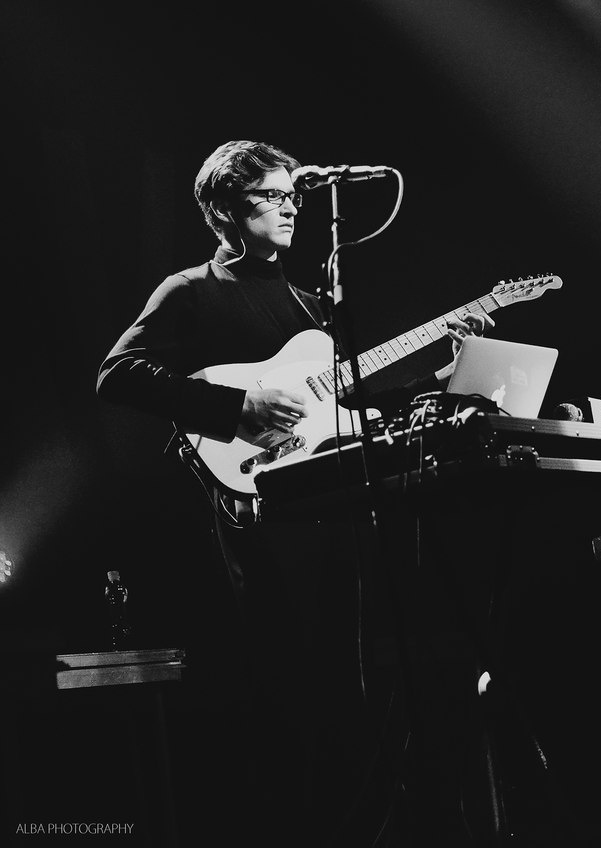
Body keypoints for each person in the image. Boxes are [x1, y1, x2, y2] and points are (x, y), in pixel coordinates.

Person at [96, 140, 493, 843]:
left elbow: (350, 403)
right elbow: (117, 374)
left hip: (329, 511)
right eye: (271, 197)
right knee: (278, 681)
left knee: (345, 679)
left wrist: (444, 370)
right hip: (253, 512)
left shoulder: (312, 306)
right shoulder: (190, 290)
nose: (289, 209)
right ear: (224, 209)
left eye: (292, 197)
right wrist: (234, 408)